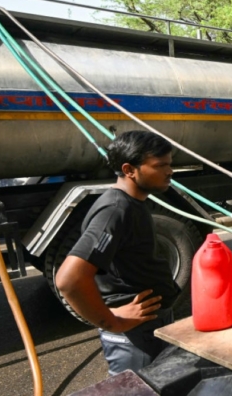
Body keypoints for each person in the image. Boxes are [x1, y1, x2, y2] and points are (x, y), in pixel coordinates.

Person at [55, 131, 180, 376]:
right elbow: (69, 280)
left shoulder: (134, 203)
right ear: (129, 169)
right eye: (160, 165)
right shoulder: (115, 210)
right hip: (136, 336)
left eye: (170, 164)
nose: (170, 171)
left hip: (151, 325)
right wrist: (112, 322)